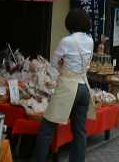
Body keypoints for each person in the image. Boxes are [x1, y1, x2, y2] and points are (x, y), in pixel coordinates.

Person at [34, 9, 96, 162]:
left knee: (47, 128)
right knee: (80, 131)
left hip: (68, 88)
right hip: (84, 87)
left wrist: (63, 65)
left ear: (70, 23)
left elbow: (53, 63)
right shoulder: (90, 41)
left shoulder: (66, 41)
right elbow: (87, 63)